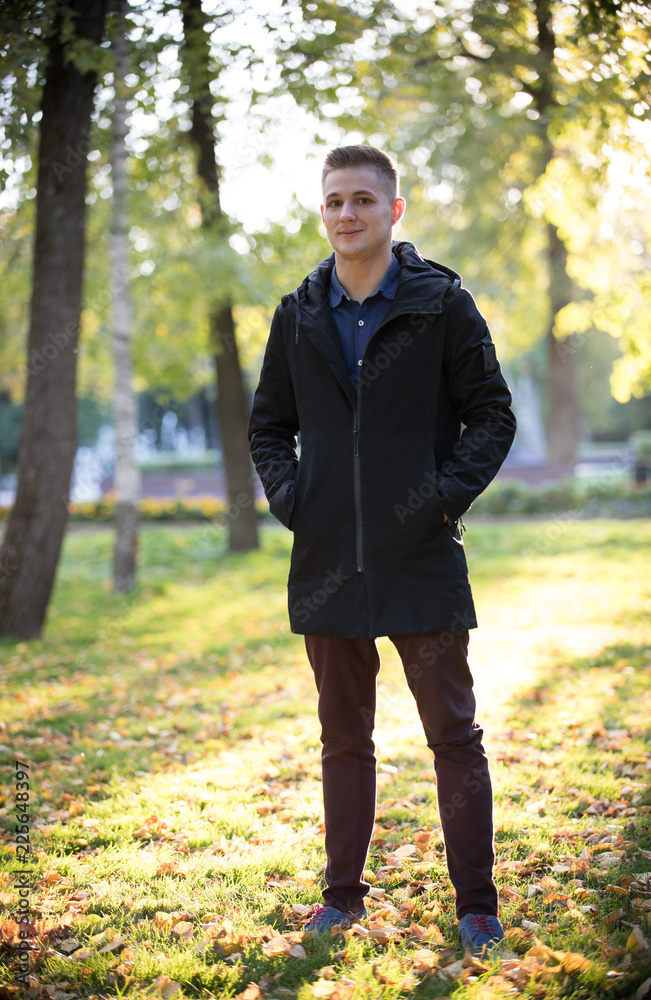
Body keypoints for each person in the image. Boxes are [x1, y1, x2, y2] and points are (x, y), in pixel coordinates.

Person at [248, 144, 517, 955]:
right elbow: (268, 425)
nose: (346, 214)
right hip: (328, 560)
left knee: (453, 737)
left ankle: (476, 906)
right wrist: (297, 502)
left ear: (393, 210)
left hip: (420, 554)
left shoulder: (441, 306)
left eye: (362, 199)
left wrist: (438, 503)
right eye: (333, 201)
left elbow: (491, 416)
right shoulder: (297, 315)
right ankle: (341, 897)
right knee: (342, 739)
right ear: (321, 210)